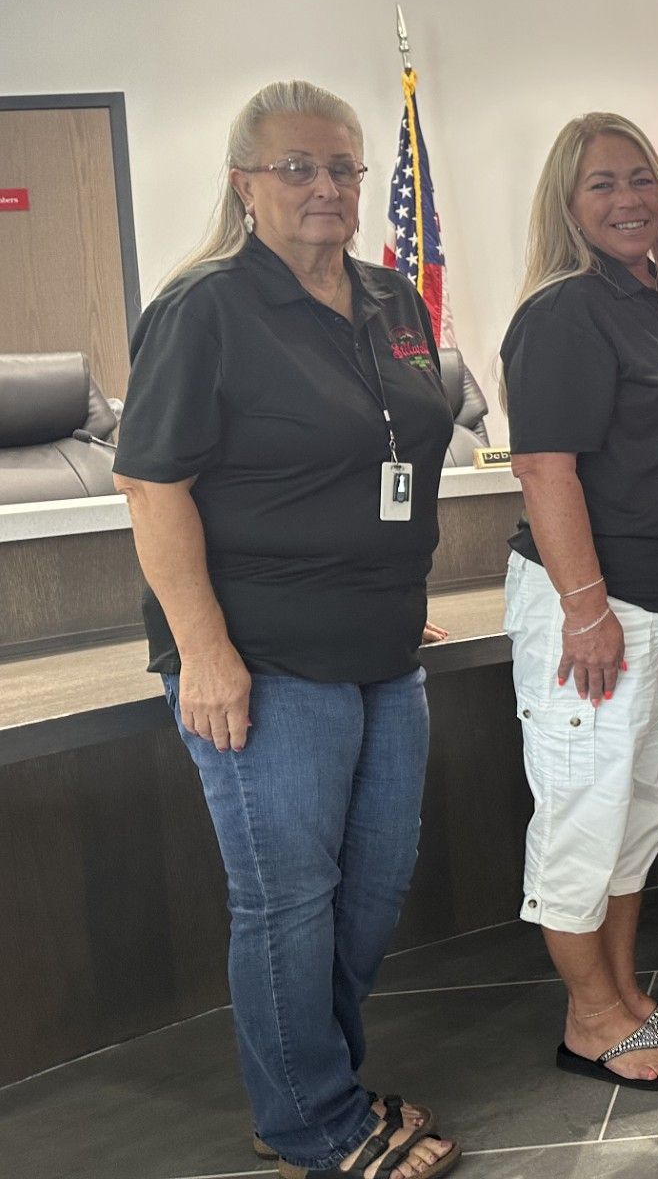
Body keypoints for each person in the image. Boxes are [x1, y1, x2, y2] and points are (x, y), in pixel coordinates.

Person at [112, 81, 460, 1178]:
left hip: (379, 645)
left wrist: (394, 587)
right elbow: (152, 488)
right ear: (244, 183)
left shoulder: (392, 298)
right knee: (288, 898)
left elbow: (395, 457)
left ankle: (328, 1085)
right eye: (296, 167)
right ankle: (310, 1124)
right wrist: (205, 653)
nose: (325, 187)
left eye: (342, 168)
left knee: (373, 881)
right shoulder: (204, 308)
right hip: (259, 655)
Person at [501, 113, 658, 1091]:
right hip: (593, 609)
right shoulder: (564, 311)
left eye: (641, 178)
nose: (628, 197)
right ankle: (590, 1018)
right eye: (601, 184)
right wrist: (588, 609)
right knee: (583, 815)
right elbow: (545, 469)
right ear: (567, 203)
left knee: (636, 812)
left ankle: (624, 994)